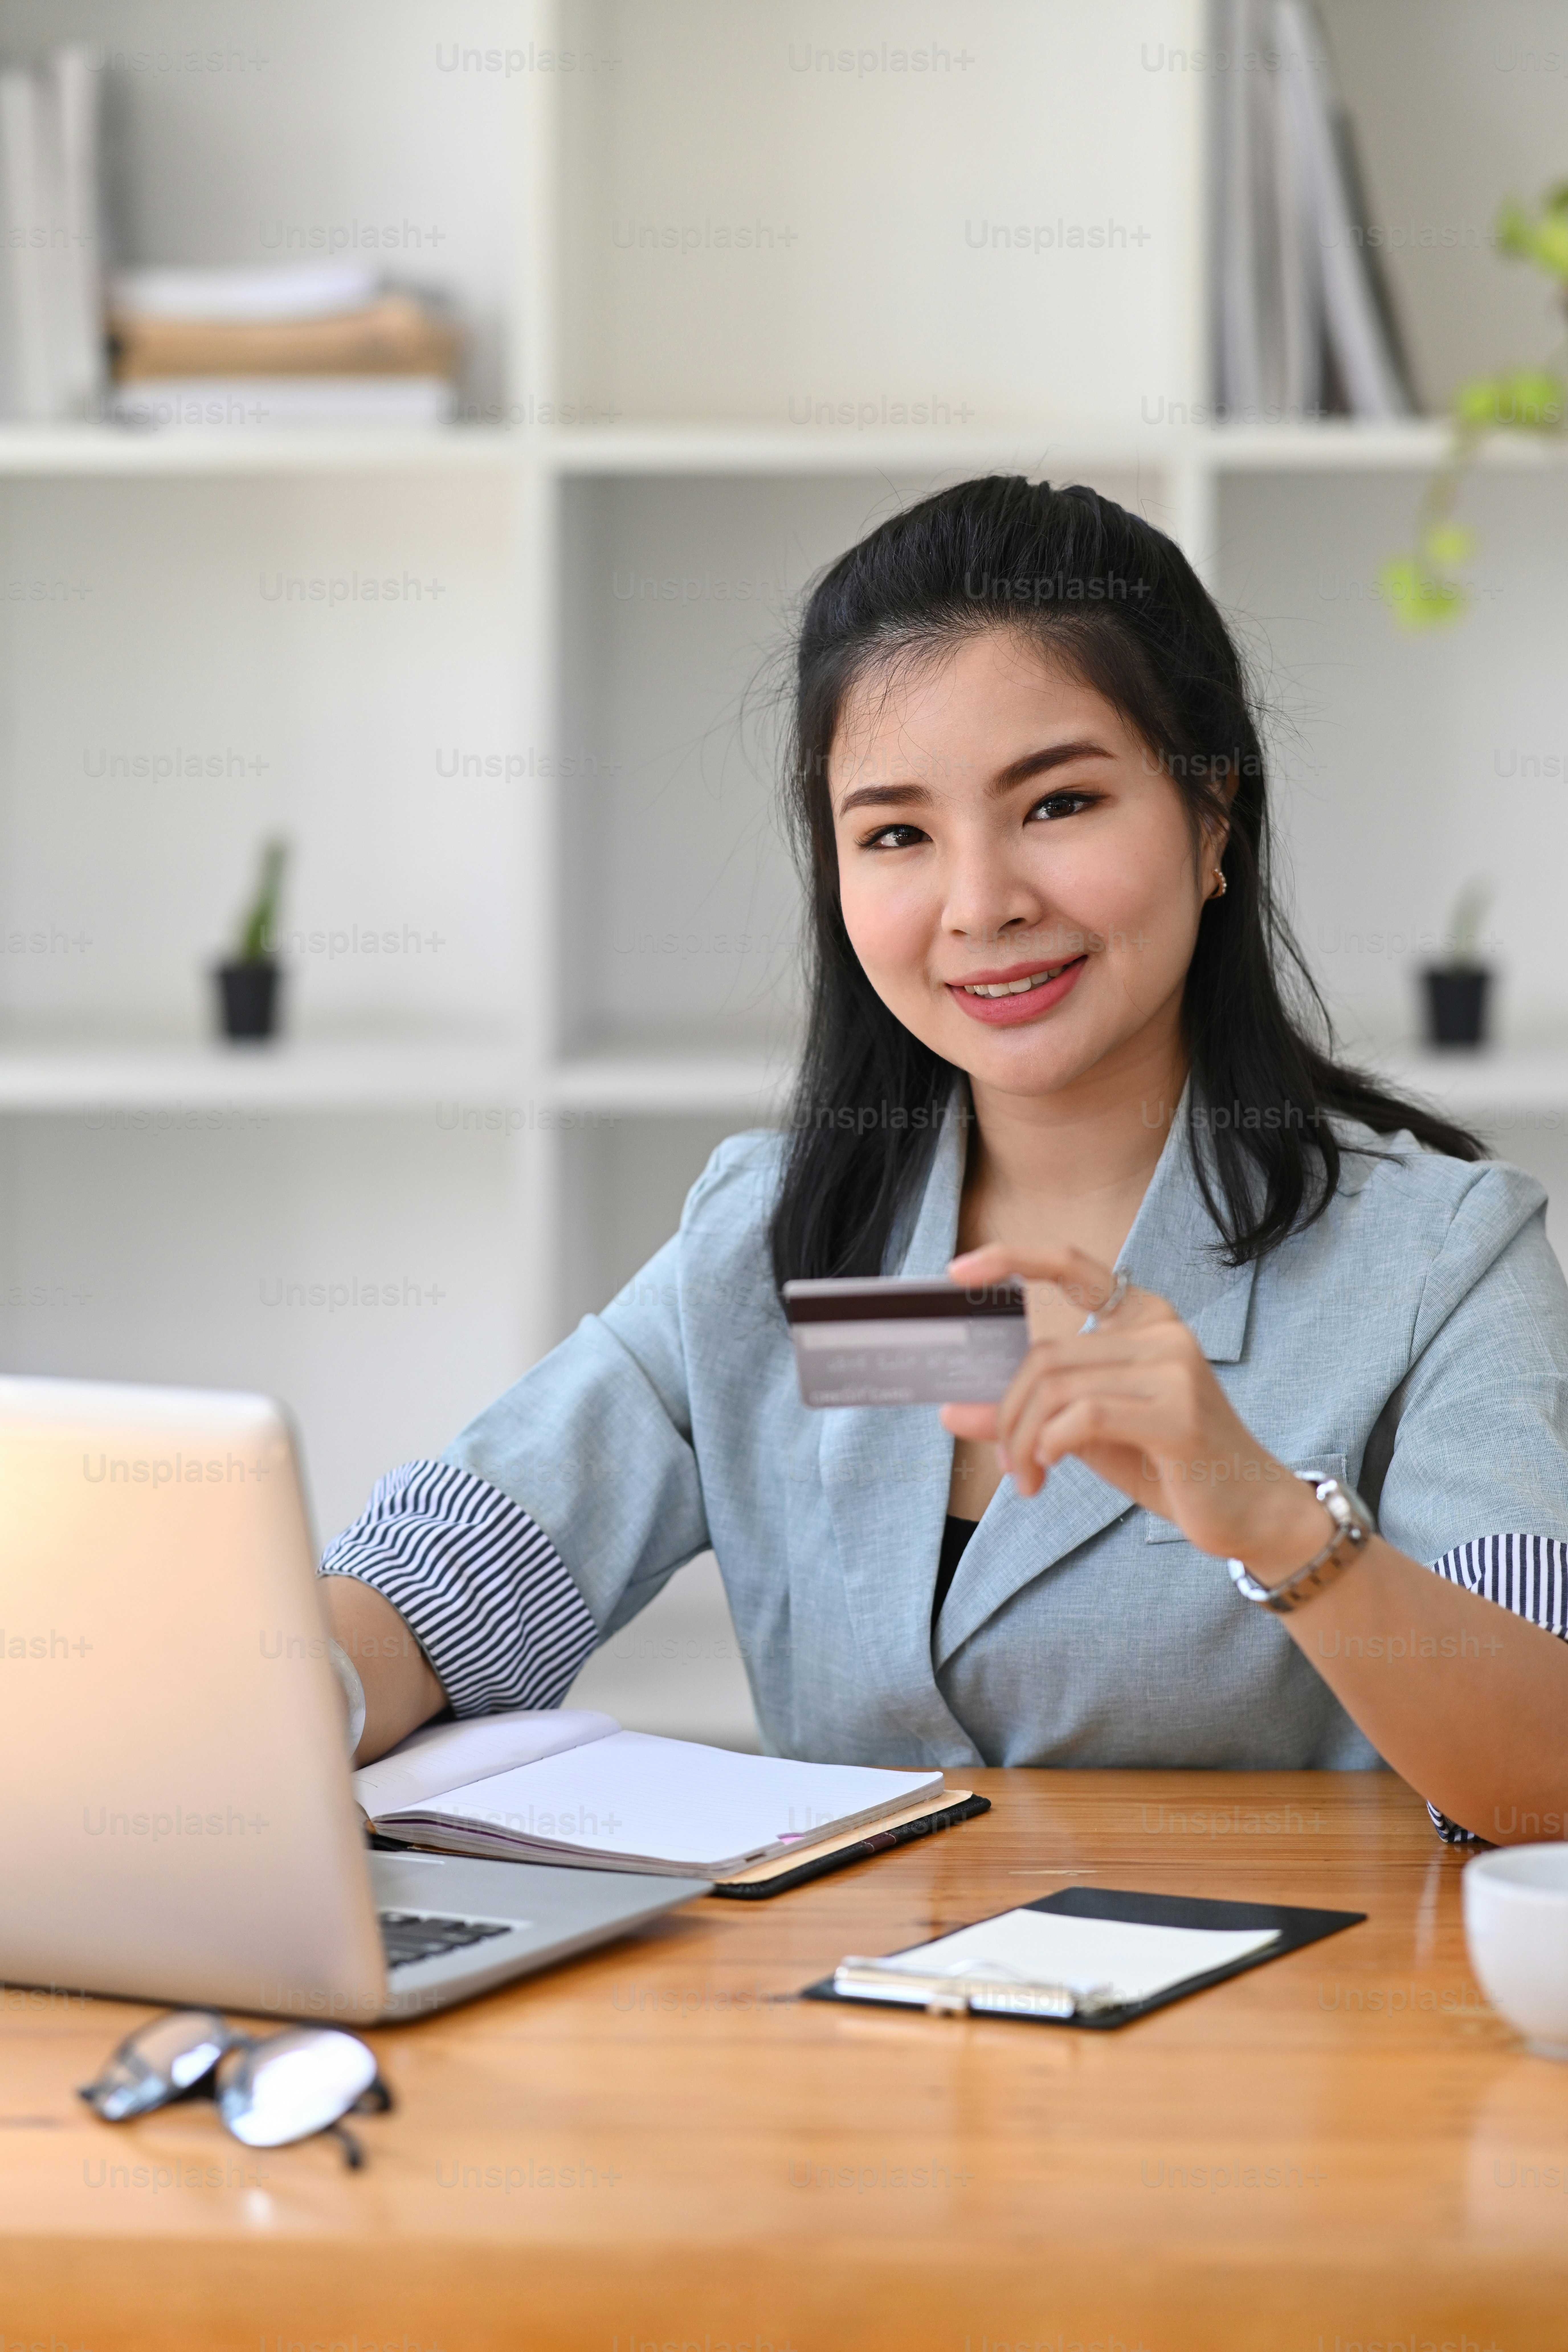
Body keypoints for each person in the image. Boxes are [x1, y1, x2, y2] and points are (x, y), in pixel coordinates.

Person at [322, 475, 1568, 1846]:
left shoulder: (1441, 1262)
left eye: (1059, 803)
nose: (980, 904)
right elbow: (451, 1575)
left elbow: (1542, 1779)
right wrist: (284, 1694)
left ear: (1210, 813)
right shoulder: (774, 1239)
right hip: (849, 1984)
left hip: (1286, 1987)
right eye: (896, 834)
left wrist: (1273, 1523)